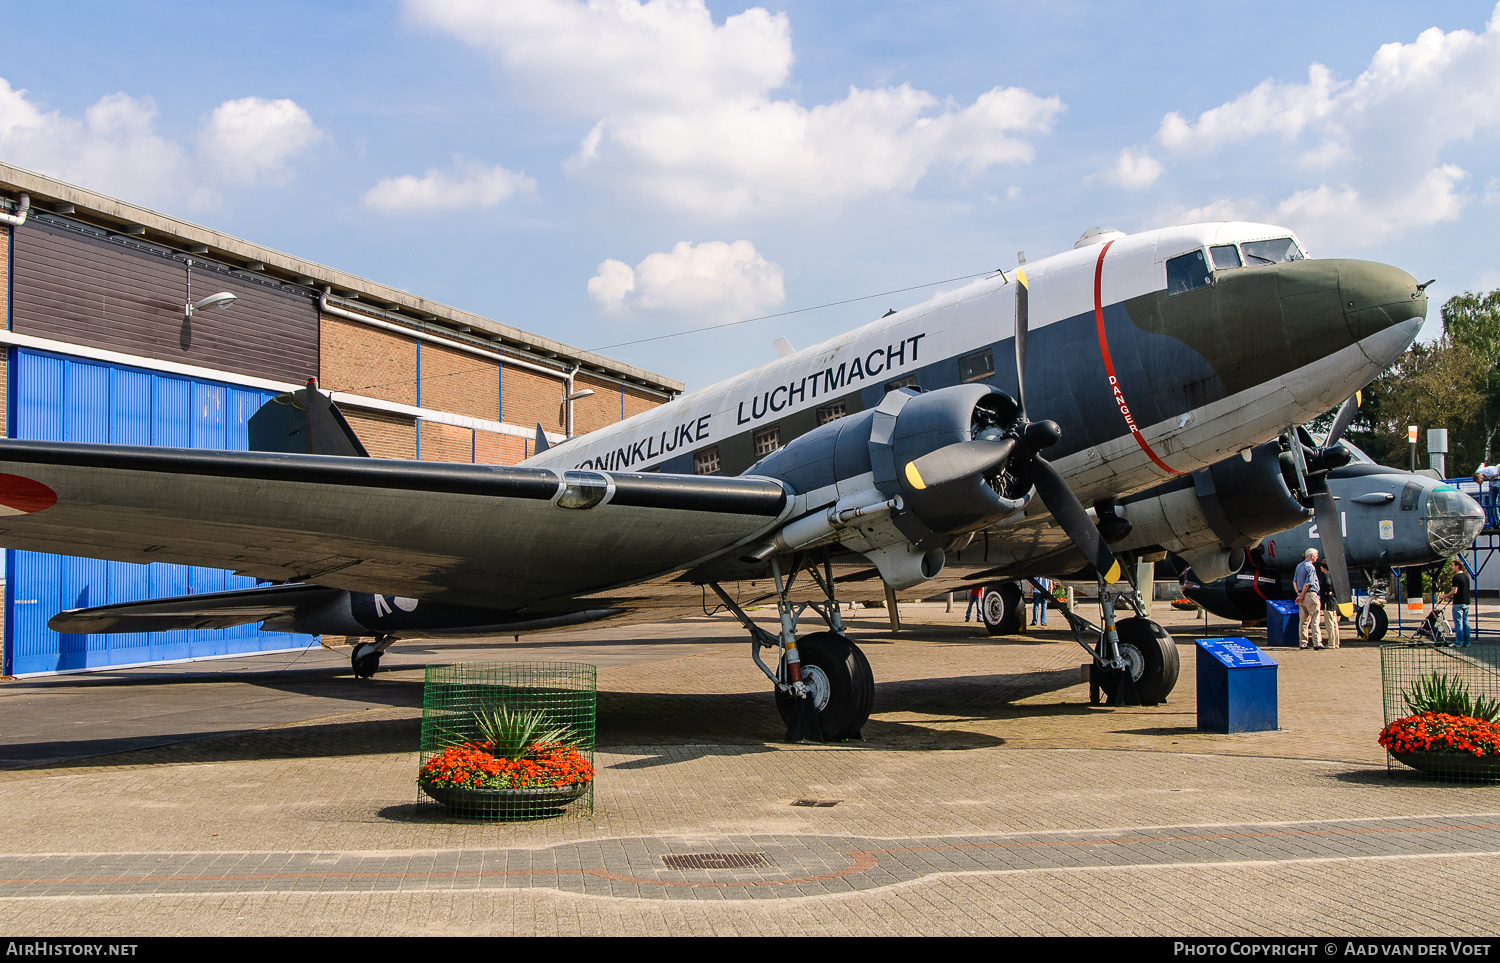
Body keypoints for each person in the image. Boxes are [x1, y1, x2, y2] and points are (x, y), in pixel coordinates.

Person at [1293, 548, 1323, 649]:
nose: (1317, 557)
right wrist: (1302, 595)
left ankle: (1303, 643)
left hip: (1301, 595)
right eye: (1316, 555)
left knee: (1303, 621)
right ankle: (1317, 643)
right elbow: (1308, 583)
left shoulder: (1299, 566)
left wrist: (1299, 594)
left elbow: (1294, 582)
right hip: (1310, 594)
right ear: (1312, 556)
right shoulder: (1311, 567)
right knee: (1315, 619)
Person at [1444, 558, 1472, 646]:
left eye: (1453, 566)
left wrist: (1445, 596)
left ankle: (1459, 642)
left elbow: (1454, 591)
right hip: (1466, 601)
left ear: (1457, 566)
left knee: (1458, 623)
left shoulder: (1456, 577)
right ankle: (1467, 642)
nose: (1452, 568)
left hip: (1458, 603)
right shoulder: (1466, 576)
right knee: (1466, 622)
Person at [1317, 557, 1340, 649]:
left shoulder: (1327, 576)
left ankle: (1331, 643)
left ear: (1324, 567)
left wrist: (1327, 591)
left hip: (1327, 601)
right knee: (1334, 623)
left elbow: (1327, 584)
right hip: (1333, 601)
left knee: (1329, 623)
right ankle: (1336, 642)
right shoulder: (1334, 575)